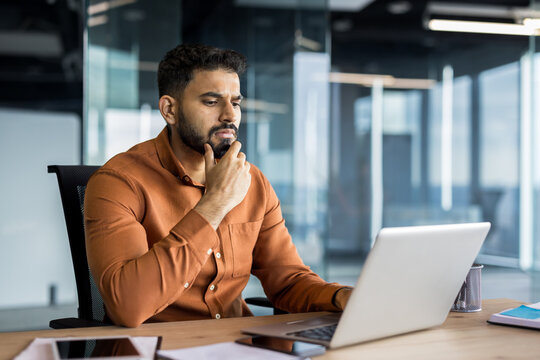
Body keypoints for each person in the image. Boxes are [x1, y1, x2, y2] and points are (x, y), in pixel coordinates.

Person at [85, 43, 352, 327]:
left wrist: (342, 296)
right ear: (169, 110)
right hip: (157, 347)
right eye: (211, 102)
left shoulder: (254, 182)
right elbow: (128, 306)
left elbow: (287, 281)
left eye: (235, 102)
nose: (229, 115)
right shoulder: (118, 182)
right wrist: (215, 204)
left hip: (238, 346)